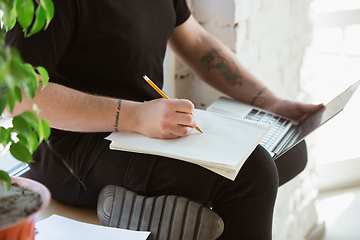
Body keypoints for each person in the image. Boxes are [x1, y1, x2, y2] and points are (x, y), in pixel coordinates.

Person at [5, 0, 323, 239]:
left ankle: (136, 207)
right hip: (74, 149)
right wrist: (133, 115)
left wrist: (271, 101)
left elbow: (196, 42)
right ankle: (135, 205)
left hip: (144, 129)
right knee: (253, 174)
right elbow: (16, 95)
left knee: (290, 148)